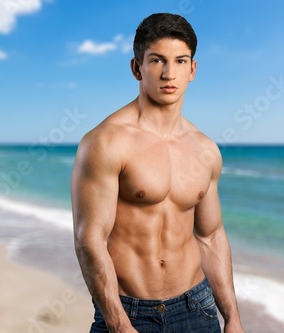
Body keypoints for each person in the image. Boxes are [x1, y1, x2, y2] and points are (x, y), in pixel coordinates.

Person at [71, 13, 244, 333]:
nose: (168, 73)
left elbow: (211, 236)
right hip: (128, 313)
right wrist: (119, 324)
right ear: (137, 67)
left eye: (180, 61)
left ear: (192, 69)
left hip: (197, 308)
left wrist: (232, 317)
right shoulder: (105, 143)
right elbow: (90, 240)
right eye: (157, 60)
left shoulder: (205, 150)